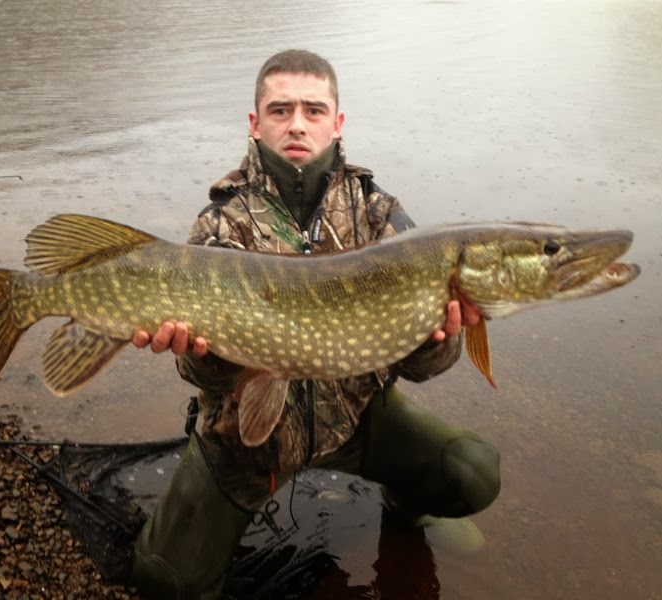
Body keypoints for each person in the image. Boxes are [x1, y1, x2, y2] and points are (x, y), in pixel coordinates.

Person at [129, 49, 501, 599]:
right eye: (280, 110)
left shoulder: (380, 214)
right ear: (255, 124)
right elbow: (203, 377)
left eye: (313, 109)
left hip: (356, 419)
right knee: (165, 581)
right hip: (246, 446)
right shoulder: (221, 222)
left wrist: (439, 334)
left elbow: (422, 366)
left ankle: (407, 504)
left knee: (471, 472)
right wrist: (197, 352)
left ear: (337, 122)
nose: (297, 123)